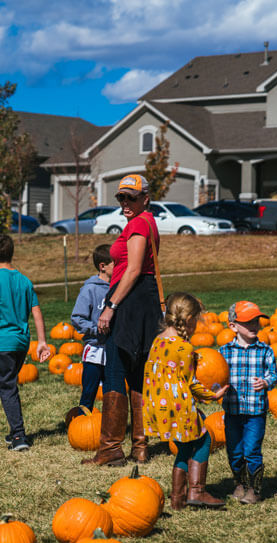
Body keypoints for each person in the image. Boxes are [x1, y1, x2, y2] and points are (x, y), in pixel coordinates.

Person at [84, 174, 163, 467]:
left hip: (130, 302)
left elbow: (133, 270)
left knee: (116, 370)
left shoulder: (140, 224)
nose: (125, 203)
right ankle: (140, 447)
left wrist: (111, 306)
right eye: (121, 197)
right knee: (137, 372)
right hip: (143, 301)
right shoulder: (144, 222)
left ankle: (110, 449)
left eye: (131, 197)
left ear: (145, 197)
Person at [142, 292, 229, 510]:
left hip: (157, 406)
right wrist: (213, 395)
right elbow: (191, 383)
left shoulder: (158, 341)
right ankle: (197, 491)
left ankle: (178, 499)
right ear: (189, 321)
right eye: (196, 322)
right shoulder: (185, 348)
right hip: (178, 407)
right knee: (203, 439)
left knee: (184, 447)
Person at [0, 234, 51, 451]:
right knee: (11, 385)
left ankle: (19, 436)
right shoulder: (25, 280)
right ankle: (14, 431)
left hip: (3, 341)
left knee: (7, 388)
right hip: (21, 343)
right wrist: (42, 341)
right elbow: (36, 312)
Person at [219, 301, 277, 505]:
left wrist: (266, 381)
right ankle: (239, 483)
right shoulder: (224, 352)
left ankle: (254, 489)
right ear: (233, 326)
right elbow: (215, 376)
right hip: (232, 412)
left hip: (255, 412)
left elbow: (275, 375)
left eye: (256, 321)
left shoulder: (265, 350)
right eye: (248, 322)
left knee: (252, 450)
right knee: (234, 450)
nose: (254, 325)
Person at [64, 244, 113, 424]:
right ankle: (82, 422)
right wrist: (96, 329)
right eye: (115, 263)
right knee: (89, 391)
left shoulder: (119, 289)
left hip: (113, 350)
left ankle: (110, 427)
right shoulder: (90, 289)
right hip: (93, 350)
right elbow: (77, 318)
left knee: (111, 391)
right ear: (103, 266)